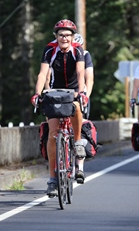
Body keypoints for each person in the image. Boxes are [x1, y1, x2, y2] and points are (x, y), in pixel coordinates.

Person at [31, 19, 88, 197]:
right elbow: (42, 73)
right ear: (56, 36)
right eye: (61, 35)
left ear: (72, 37)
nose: (64, 38)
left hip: (72, 91)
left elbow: (80, 72)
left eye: (68, 35)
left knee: (77, 107)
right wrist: (37, 93)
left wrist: (82, 91)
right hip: (55, 91)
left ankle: (77, 142)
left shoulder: (77, 49)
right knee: (52, 133)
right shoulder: (49, 49)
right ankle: (52, 179)